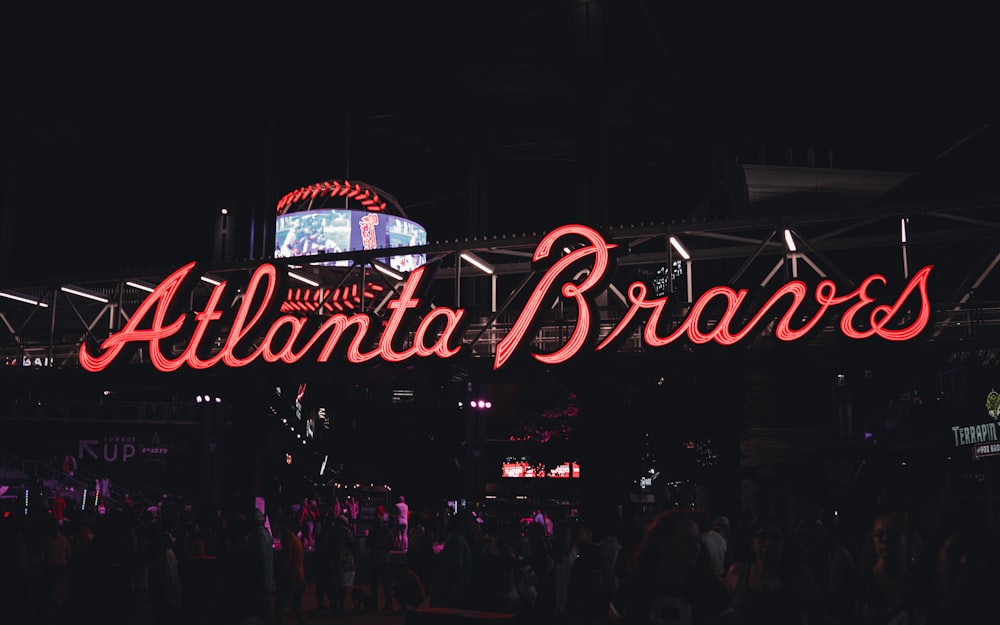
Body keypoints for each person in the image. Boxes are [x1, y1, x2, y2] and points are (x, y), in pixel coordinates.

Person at [610, 509, 735, 624]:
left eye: (697, 540)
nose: (695, 547)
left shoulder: (712, 590)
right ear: (663, 543)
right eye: (686, 541)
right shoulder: (633, 588)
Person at [724, 516, 827, 625]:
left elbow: (817, 615)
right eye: (762, 537)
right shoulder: (737, 573)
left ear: (784, 543)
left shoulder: (800, 577)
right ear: (752, 543)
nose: (768, 543)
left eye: (775, 538)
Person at [857, 510, 919, 625]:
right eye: (879, 535)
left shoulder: (918, 582)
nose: (885, 540)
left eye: (893, 534)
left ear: (907, 538)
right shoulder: (862, 582)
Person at [274, 524, 306, 625]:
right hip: (300, 577)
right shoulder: (295, 539)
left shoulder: (288, 540)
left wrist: (282, 576)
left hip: (292, 578)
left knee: (279, 608)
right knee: (296, 607)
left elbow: (287, 560)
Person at [250, 508, 277, 625]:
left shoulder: (259, 534)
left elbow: (261, 556)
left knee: (262, 610)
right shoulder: (266, 533)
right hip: (267, 577)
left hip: (262, 578)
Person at [368, 513, 395, 612]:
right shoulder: (387, 531)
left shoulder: (372, 531)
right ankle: (388, 605)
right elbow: (392, 544)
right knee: (386, 583)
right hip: (384, 558)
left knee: (374, 584)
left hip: (374, 558)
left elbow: (368, 544)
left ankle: (373, 605)